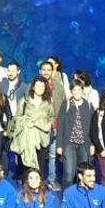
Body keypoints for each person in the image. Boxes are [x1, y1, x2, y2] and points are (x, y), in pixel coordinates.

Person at [8, 76, 54, 177]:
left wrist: (47, 125)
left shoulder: (48, 102)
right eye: (38, 85)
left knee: (40, 167)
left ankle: (38, 189)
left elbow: (51, 117)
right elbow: (17, 118)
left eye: (43, 86)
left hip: (42, 139)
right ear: (33, 87)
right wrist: (26, 122)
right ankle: (25, 188)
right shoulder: (24, 101)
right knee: (26, 167)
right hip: (26, 139)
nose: (40, 88)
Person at [56, 81, 96, 189]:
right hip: (69, 144)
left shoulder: (88, 105)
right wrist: (59, 145)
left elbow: (93, 127)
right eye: (74, 90)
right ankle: (67, 199)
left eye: (79, 89)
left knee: (82, 175)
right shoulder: (66, 104)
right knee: (69, 174)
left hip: (84, 144)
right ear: (71, 91)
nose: (77, 92)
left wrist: (92, 144)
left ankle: (80, 198)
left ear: (83, 90)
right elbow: (60, 125)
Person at [39, 60, 65, 191]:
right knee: (39, 154)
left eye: (48, 69)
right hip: (40, 127)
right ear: (39, 71)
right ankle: (37, 179)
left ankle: (51, 179)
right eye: (43, 69)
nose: (46, 72)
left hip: (55, 126)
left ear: (53, 70)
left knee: (53, 155)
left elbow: (62, 106)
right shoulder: (34, 85)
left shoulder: (58, 87)